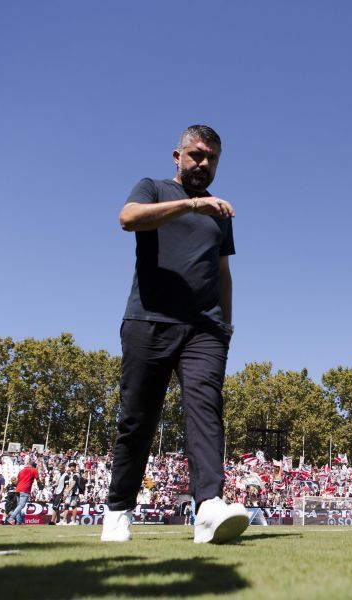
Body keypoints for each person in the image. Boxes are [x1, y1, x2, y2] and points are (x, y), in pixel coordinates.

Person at [102, 124, 248, 544]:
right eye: (197, 154)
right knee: (137, 419)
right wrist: (191, 206)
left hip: (205, 328)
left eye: (212, 158)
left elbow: (223, 273)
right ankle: (117, 511)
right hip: (148, 321)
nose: (204, 163)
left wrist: (227, 326)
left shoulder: (219, 214)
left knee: (206, 409)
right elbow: (128, 218)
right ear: (177, 156)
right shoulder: (154, 189)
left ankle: (209, 508)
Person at [6, 460, 42, 524]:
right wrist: (41, 487)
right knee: (21, 505)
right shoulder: (34, 470)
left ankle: (18, 521)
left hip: (18, 489)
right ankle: (11, 518)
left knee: (18, 506)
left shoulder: (21, 471)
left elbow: (17, 481)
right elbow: (38, 480)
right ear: (34, 466)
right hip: (25, 489)